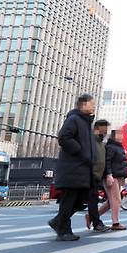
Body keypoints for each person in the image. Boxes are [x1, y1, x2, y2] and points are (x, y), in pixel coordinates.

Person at [48, 94, 97, 241]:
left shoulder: (86, 123)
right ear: (82, 105)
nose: (94, 105)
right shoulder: (74, 119)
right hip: (73, 169)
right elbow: (64, 137)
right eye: (91, 103)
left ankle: (58, 221)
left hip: (82, 169)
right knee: (69, 200)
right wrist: (80, 151)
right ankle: (63, 229)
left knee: (80, 200)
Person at [99, 129, 127, 231]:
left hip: (117, 176)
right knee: (116, 200)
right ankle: (115, 223)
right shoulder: (110, 147)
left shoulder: (118, 147)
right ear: (113, 136)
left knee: (111, 202)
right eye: (119, 134)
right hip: (112, 177)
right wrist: (109, 175)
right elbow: (107, 162)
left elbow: (118, 162)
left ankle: (92, 217)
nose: (122, 136)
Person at [84, 119, 111, 232]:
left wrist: (106, 174)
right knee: (91, 200)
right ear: (97, 128)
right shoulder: (90, 141)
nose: (105, 132)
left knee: (92, 200)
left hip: (97, 176)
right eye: (104, 130)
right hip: (89, 175)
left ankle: (95, 221)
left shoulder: (101, 143)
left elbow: (103, 161)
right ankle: (96, 222)